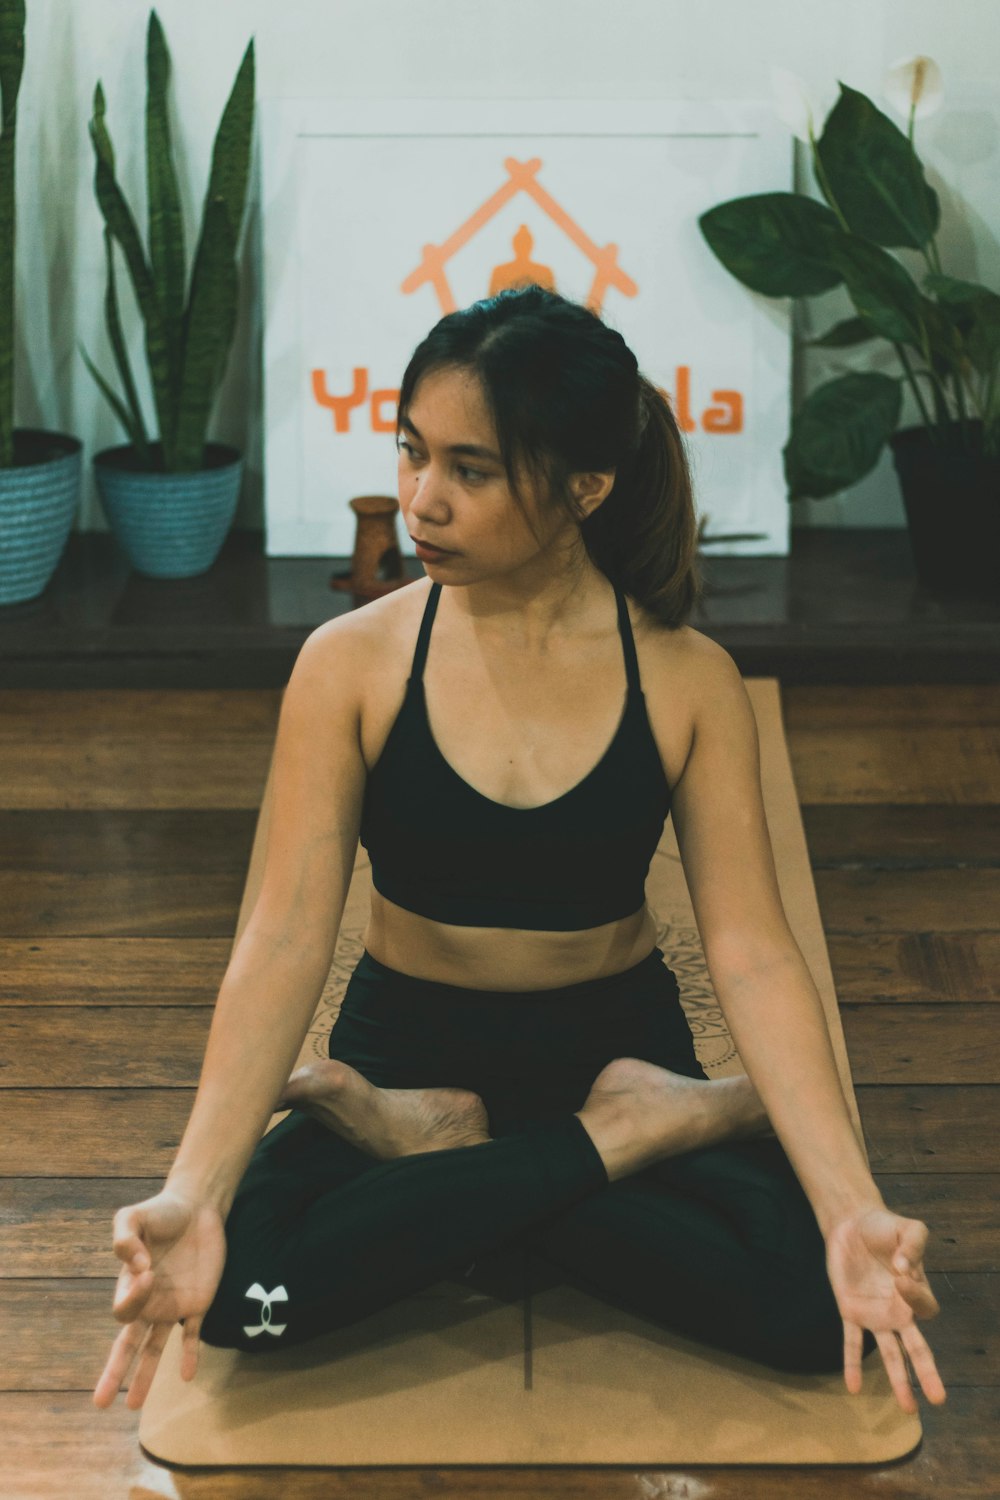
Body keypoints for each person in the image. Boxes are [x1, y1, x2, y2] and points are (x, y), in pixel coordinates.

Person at [93, 285, 946, 1418]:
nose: (421, 502)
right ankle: (610, 1139)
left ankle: (510, 1150)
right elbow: (285, 931)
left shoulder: (687, 679)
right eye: (411, 455)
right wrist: (191, 1191)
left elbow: (750, 951)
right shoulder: (349, 664)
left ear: (585, 485)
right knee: (244, 1291)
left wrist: (852, 1208)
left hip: (614, 1035)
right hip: (403, 1045)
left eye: (471, 470)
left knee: (811, 1304)